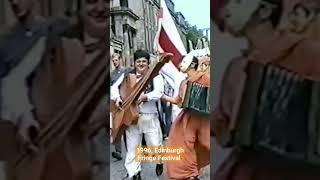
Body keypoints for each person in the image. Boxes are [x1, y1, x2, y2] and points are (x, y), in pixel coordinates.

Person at [213, 0, 320, 179]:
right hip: (249, 166)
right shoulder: (236, 68)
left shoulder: (309, 52)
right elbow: (225, 125)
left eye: (238, 1)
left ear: (264, 9)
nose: (227, 9)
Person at [111, 50, 164, 179]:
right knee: (132, 147)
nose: (141, 64)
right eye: (138, 61)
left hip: (149, 117)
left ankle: (159, 162)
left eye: (144, 61)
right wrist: (117, 98)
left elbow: (159, 92)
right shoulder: (128, 75)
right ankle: (134, 173)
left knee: (154, 145)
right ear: (134, 63)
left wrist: (145, 97)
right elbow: (113, 88)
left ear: (148, 63)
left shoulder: (154, 76)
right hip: (131, 118)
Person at [162, 52, 210, 180]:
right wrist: (162, 96)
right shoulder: (184, 82)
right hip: (187, 118)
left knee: (206, 144)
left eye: (184, 62)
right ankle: (189, 175)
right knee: (182, 146)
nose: (180, 64)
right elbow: (178, 101)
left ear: (193, 64)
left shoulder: (205, 77)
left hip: (204, 119)